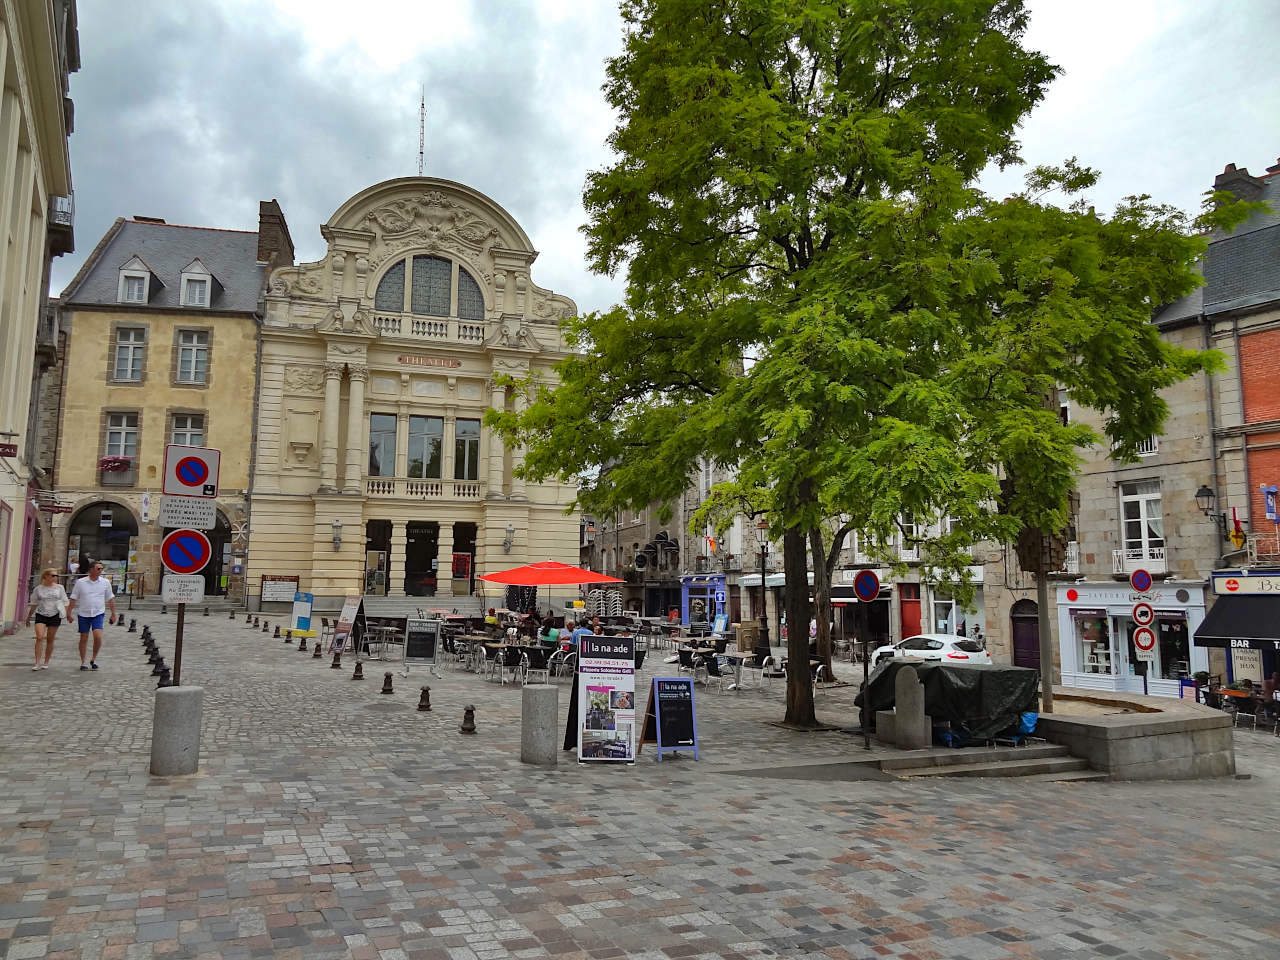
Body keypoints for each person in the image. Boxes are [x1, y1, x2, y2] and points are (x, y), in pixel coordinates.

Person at [66, 559, 116, 671]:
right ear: (91, 570)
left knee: (98, 636)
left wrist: (113, 614)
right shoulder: (81, 582)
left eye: (102, 569)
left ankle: (94, 658)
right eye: (98, 568)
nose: (101, 571)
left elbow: (110, 598)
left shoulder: (105, 582)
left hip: (98, 612)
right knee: (84, 637)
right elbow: (73, 598)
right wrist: (68, 613)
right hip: (84, 613)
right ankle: (83, 661)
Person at [24, 568, 68, 670]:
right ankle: (37, 662)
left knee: (50, 639)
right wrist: (29, 616)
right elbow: (34, 603)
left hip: (55, 615)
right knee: (39, 637)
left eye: (56, 576)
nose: (55, 577)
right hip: (41, 614)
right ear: (46, 576)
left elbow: (65, 601)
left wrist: (65, 613)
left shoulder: (60, 588)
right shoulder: (38, 589)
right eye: (53, 575)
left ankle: (46, 661)